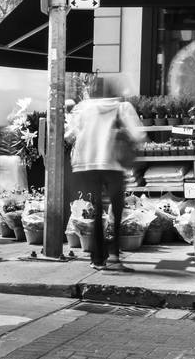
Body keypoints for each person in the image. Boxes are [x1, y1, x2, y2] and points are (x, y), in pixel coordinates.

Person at [65, 93, 146, 272]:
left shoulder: (83, 108)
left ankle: (97, 258)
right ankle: (114, 256)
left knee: (97, 211)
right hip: (113, 165)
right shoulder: (122, 107)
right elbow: (138, 134)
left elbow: (70, 134)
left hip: (88, 165)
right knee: (116, 211)